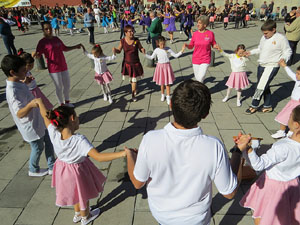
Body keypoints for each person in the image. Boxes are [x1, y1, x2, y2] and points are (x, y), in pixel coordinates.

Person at [125, 79, 243, 225]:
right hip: (196, 219)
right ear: (205, 114)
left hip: (161, 214)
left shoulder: (150, 139)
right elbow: (229, 192)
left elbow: (138, 183)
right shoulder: (214, 146)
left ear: (171, 105)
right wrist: (238, 152)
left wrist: (130, 156)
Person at [35, 101, 127, 225]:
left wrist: (40, 103)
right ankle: (86, 216)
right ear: (72, 118)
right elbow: (99, 157)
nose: (78, 119)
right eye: (77, 117)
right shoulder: (79, 140)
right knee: (83, 194)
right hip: (78, 171)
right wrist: (122, 153)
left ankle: (77, 214)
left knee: (74, 192)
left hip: (63, 170)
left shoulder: (54, 132)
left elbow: (45, 116)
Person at [236, 107, 300, 225]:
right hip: (293, 185)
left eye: (290, 116)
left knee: (262, 215)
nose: (288, 118)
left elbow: (259, 165)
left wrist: (249, 149)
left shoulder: (283, 148)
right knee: (286, 216)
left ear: (296, 124)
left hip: (273, 187)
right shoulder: (292, 138)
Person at [2, 55, 55, 177]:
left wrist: (25, 82)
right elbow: (19, 113)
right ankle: (33, 169)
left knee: (49, 139)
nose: (26, 72)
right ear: (12, 72)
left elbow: (22, 87)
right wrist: (31, 104)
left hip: (37, 119)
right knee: (37, 148)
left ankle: (52, 166)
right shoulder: (12, 92)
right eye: (23, 71)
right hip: (31, 125)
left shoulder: (17, 82)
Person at [245, 20, 292, 114]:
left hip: (272, 65)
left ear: (273, 30)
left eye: (266, 33)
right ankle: (268, 105)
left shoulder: (281, 38)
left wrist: (284, 59)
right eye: (263, 33)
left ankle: (254, 105)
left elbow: (288, 51)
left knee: (261, 86)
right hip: (261, 64)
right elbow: (260, 49)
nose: (265, 35)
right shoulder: (263, 37)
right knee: (264, 85)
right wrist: (250, 52)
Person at [36, 21, 82, 107]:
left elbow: (64, 48)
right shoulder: (42, 42)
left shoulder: (56, 39)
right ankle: (61, 104)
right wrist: (36, 55)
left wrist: (75, 46)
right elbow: (38, 54)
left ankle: (67, 102)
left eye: (50, 28)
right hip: (53, 68)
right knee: (59, 87)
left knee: (67, 85)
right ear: (43, 30)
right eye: (46, 29)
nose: (49, 30)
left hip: (63, 65)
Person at [145, 36, 185, 105]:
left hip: (167, 67)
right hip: (160, 67)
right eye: (161, 44)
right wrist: (144, 53)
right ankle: (162, 94)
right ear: (158, 44)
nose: (162, 46)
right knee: (162, 83)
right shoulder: (156, 50)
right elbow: (151, 57)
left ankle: (168, 97)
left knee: (168, 83)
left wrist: (181, 51)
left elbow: (175, 55)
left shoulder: (168, 49)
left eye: (163, 44)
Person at [114, 25, 145, 102]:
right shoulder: (122, 41)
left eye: (133, 31)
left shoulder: (136, 40)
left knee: (134, 80)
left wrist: (142, 49)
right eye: (130, 31)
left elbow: (141, 48)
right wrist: (115, 50)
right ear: (125, 33)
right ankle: (134, 89)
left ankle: (133, 95)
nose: (132, 33)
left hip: (135, 63)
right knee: (132, 79)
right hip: (127, 64)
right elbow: (119, 50)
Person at [271, 60, 300, 139]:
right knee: (286, 116)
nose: (296, 75)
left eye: (298, 74)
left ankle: (286, 132)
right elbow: (291, 74)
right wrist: (284, 66)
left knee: (290, 117)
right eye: (297, 73)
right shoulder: (298, 80)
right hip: (292, 102)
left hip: (297, 104)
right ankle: (284, 131)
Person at [185, 16, 219, 83]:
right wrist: (187, 45)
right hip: (196, 59)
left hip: (205, 59)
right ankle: (201, 91)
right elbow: (191, 46)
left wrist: (216, 46)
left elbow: (213, 44)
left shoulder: (210, 34)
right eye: (197, 22)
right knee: (198, 79)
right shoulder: (195, 34)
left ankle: (198, 91)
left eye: (199, 23)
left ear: (205, 25)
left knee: (200, 79)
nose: (197, 24)